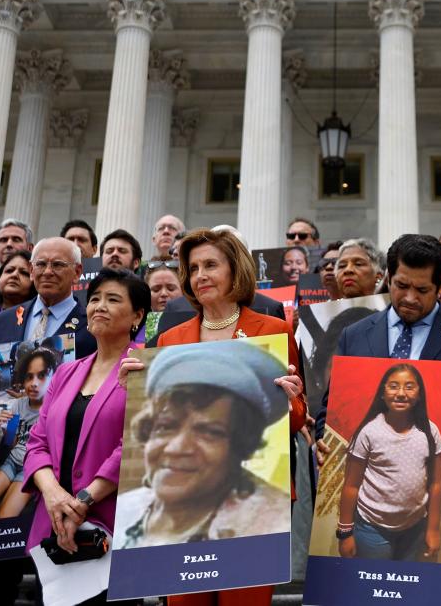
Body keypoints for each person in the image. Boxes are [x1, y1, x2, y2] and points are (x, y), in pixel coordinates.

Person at [119, 227, 304, 606]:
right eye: (193, 267)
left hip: (251, 503)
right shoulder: (172, 339)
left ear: (235, 270)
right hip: (180, 502)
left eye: (210, 265)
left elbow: (296, 417)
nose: (200, 275)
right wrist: (132, 390)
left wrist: (293, 402)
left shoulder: (274, 330)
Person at [315, 234, 441, 498]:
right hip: (366, 494)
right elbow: (331, 408)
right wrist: (323, 440)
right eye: (401, 285)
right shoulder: (355, 335)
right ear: (388, 277)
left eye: (421, 290)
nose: (409, 298)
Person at [20, 269, 146, 605]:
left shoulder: (143, 366)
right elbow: (37, 442)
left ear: (137, 316)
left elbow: (138, 441)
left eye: (113, 299)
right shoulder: (66, 371)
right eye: (94, 299)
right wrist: (54, 496)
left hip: (113, 525)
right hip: (55, 528)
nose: (99, 307)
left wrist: (83, 501)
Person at [115, 341, 291, 547]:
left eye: (208, 432)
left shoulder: (274, 525)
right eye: (165, 426)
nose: (176, 448)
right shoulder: (125, 511)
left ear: (241, 446)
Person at [338, 363, 441, 561]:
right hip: (371, 528)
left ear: (420, 394)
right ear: (382, 392)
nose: (401, 393)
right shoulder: (369, 432)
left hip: (415, 528)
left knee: (405, 586)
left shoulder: (430, 432)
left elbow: (436, 483)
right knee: (374, 585)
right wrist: (345, 533)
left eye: (410, 386)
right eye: (394, 386)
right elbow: (351, 486)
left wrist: (433, 529)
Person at [0, 347, 59, 522]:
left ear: (52, 378)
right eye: (29, 377)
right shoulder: (18, 405)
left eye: (41, 376)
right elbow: (11, 442)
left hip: (32, 470)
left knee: (4, 517)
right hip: (11, 461)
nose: (34, 383)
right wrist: (4, 427)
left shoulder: (54, 409)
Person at [0, 238, 94, 358]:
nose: (47, 272)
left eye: (58, 264)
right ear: (31, 271)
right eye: (41, 264)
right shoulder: (1, 322)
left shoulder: (92, 325)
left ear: (77, 272)